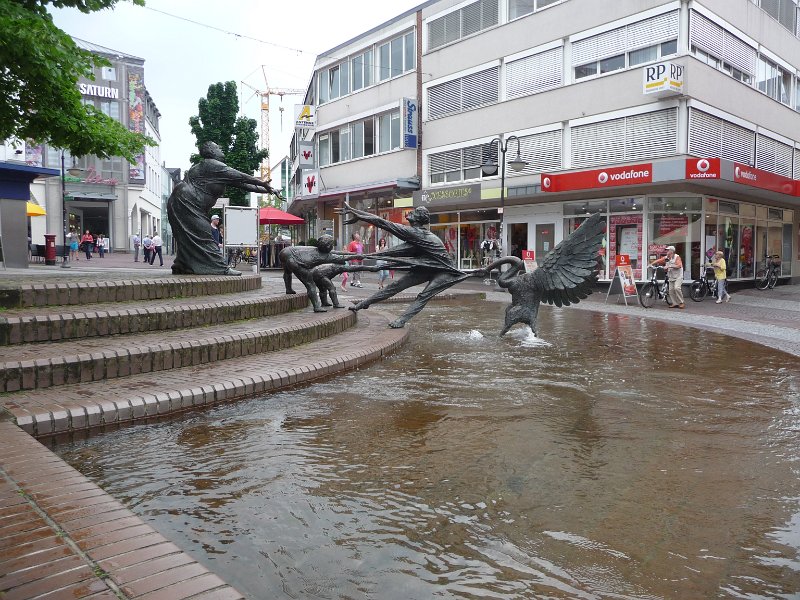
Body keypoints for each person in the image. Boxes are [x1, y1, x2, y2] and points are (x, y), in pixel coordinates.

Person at [337, 203, 472, 328]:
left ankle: (402, 320)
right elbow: (396, 248)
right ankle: (364, 304)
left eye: (414, 213)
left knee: (424, 295)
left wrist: (358, 214)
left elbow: (384, 223)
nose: (410, 214)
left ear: (418, 219)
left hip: (445, 270)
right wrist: (356, 212)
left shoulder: (416, 233)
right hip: (428, 266)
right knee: (396, 285)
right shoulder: (417, 235)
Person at [166, 141, 276, 275]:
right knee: (203, 234)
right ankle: (221, 268)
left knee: (191, 236)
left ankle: (183, 264)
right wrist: (262, 182)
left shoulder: (216, 171)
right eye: (218, 148)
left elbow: (243, 184)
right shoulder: (211, 164)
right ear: (211, 151)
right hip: (184, 201)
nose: (221, 150)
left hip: (186, 202)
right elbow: (241, 176)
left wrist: (268, 190)